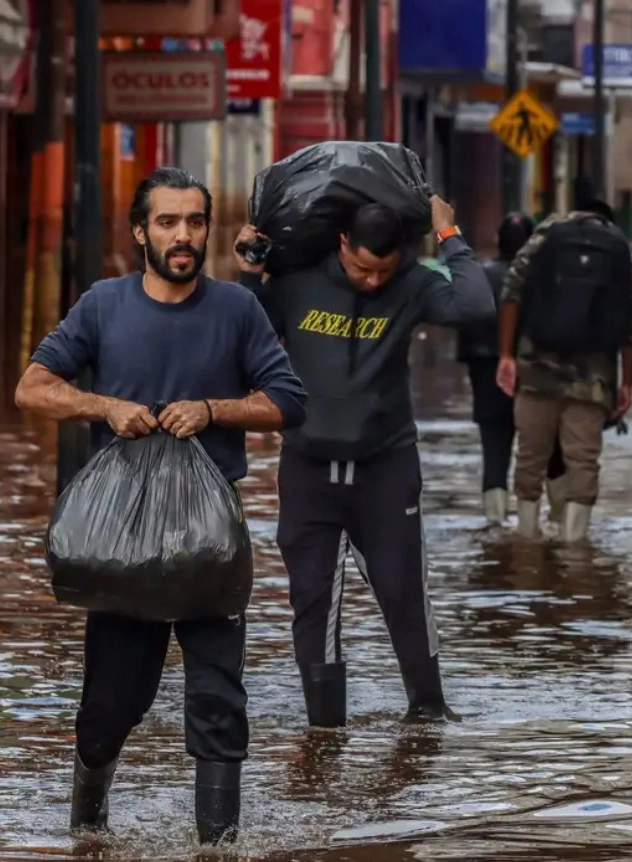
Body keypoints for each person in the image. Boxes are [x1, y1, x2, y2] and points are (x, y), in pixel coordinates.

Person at [14, 168, 307, 842]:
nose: (184, 236)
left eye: (196, 222)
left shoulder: (237, 309)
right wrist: (104, 405)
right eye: (169, 222)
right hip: (121, 543)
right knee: (112, 703)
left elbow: (288, 401)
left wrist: (212, 410)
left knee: (218, 700)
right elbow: (33, 389)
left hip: (209, 540)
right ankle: (88, 829)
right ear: (141, 231)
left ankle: (218, 847)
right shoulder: (103, 305)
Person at [234, 194, 494, 729]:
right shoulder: (298, 282)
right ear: (342, 243)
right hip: (308, 466)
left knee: (403, 590)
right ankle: (324, 729)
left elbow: (476, 308)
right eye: (361, 267)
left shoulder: (413, 285)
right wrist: (248, 271)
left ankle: (427, 713)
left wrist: (449, 236)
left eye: (384, 269)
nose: (373, 280)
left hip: (386, 466)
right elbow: (241, 330)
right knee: (313, 599)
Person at [495, 199, 632, 542]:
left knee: (530, 456)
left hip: (537, 367)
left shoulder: (547, 233)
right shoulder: (619, 246)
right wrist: (627, 383)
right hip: (594, 376)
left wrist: (506, 355)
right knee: (583, 460)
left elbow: (511, 292)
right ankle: (575, 548)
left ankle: (527, 540)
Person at [455, 212, 566, 525]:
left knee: (494, 448)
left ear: (497, 240)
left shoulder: (479, 275)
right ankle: (558, 521)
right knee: (550, 448)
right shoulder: (546, 278)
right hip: (536, 371)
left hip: (484, 369)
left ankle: (495, 523)